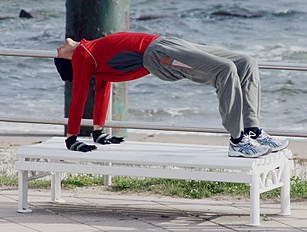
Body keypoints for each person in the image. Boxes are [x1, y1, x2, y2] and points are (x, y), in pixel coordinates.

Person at [54, 31, 289, 157]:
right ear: (68, 61)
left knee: (246, 62)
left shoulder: (94, 53)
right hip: (159, 55)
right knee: (224, 70)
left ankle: (253, 131)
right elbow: (80, 96)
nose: (59, 46)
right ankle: (238, 141)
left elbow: (103, 91)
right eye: (58, 53)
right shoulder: (83, 55)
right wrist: (72, 138)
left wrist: (98, 132)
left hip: (166, 42)